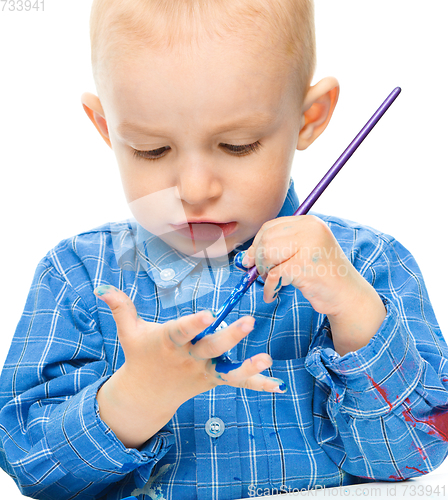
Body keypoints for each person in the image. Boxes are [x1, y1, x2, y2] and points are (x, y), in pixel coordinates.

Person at [1, 0, 447, 499]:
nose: (194, 189)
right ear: (107, 128)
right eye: (152, 150)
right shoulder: (79, 276)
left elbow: (416, 453)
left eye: (237, 145)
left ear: (308, 118)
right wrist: (134, 399)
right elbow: (30, 466)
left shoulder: (369, 266)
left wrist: (353, 311)